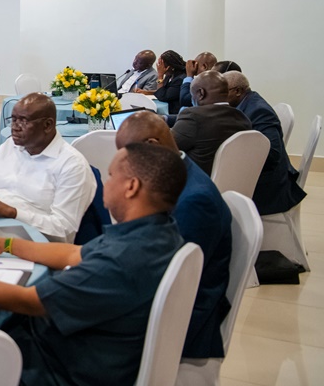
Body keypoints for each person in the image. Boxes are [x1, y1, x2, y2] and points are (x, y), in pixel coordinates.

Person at [0, 143, 186, 386]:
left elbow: (29, 301)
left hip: (59, 369)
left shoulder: (119, 261)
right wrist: (5, 244)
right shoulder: (159, 232)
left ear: (131, 187)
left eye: (111, 176)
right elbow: (74, 253)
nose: (106, 183)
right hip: (92, 352)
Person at [114, 110, 232, 362]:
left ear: (152, 146)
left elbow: (171, 280)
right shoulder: (175, 176)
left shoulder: (194, 200)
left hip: (180, 323)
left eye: (128, 156)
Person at [0, 93, 95, 242]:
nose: (15, 127)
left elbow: (63, 228)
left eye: (23, 121)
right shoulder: (9, 146)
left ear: (47, 125)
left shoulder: (72, 165)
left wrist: (12, 212)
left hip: (37, 241)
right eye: (13, 120)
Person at [225, 71, 306, 215]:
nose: (219, 96)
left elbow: (272, 154)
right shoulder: (246, 104)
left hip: (269, 188)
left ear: (237, 91)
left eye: (223, 91)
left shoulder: (259, 111)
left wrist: (237, 157)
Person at [172, 71, 252, 175]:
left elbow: (166, 147)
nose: (192, 100)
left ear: (201, 93)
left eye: (192, 96)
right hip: (230, 180)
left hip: (194, 180)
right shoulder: (243, 118)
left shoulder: (193, 116)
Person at [145, 49, 187, 114]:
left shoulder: (180, 79)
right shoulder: (170, 75)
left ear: (169, 66)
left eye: (160, 64)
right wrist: (146, 92)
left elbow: (162, 96)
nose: (158, 67)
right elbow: (163, 90)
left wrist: (160, 76)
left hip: (174, 112)